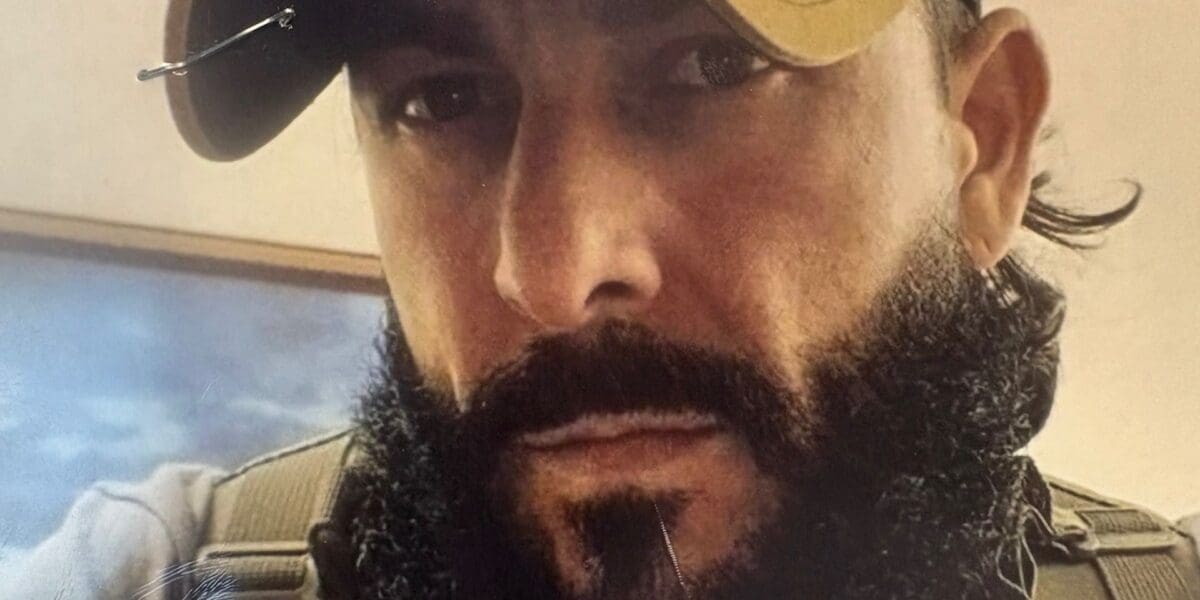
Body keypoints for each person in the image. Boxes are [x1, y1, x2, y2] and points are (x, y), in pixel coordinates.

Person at [10, 0, 1200, 598]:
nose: (553, 273)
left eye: (713, 66)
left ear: (982, 143)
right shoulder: (160, 573)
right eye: (443, 98)